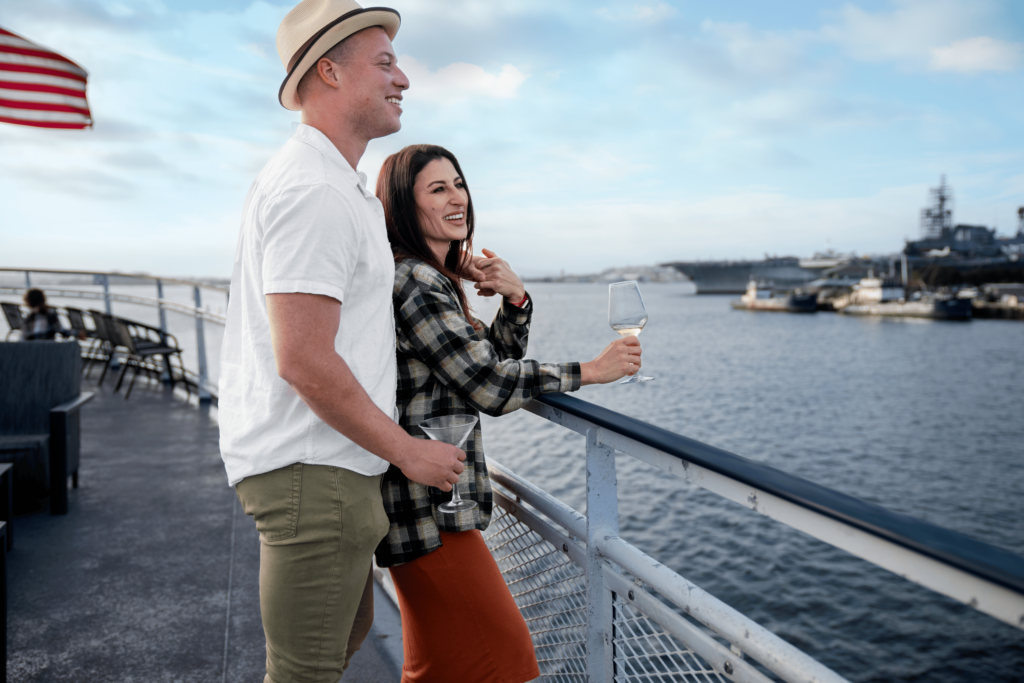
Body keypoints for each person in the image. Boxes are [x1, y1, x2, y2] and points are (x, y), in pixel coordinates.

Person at [217, 3, 465, 681]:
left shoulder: (330, 185)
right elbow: (302, 356)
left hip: (323, 468)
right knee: (304, 671)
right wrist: (408, 450)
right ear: (328, 71)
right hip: (312, 471)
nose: (404, 78)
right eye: (385, 63)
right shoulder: (315, 190)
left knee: (340, 639)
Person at [374, 144, 643, 683]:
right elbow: (491, 387)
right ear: (405, 206)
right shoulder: (417, 283)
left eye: (459, 184)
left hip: (421, 501)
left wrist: (516, 301)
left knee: (437, 666)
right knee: (508, 660)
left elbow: (485, 364)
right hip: (431, 509)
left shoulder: (429, 279)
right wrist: (592, 370)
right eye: (438, 189)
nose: (459, 198)